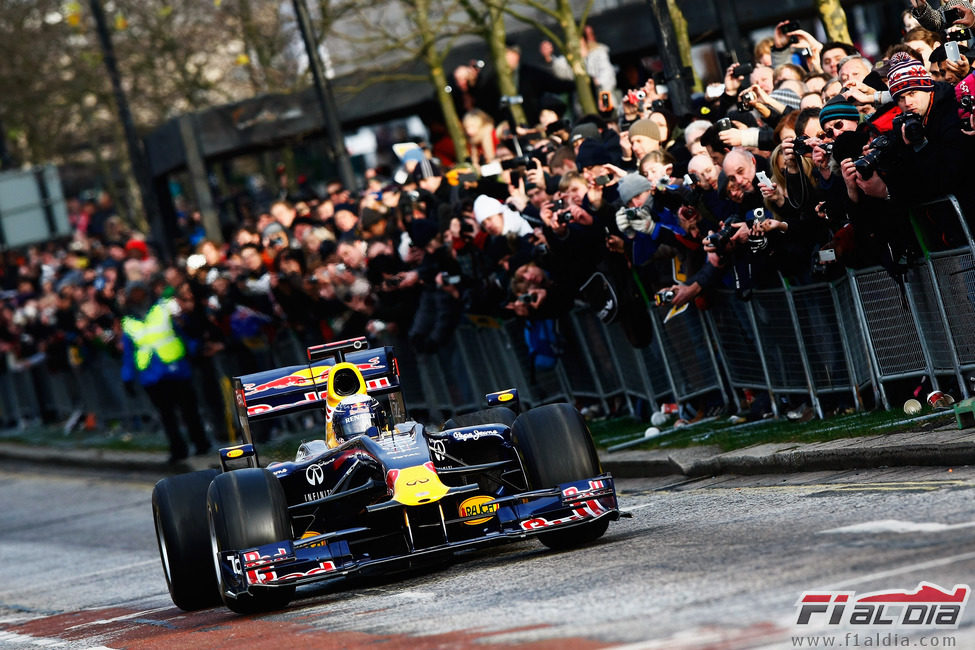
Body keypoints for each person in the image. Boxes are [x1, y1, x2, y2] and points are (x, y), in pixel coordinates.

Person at [119, 282, 210, 463]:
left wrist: (194, 349)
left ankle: (201, 443)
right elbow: (129, 352)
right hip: (151, 375)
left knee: (189, 411)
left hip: (176, 368)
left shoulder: (163, 308)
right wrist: (127, 377)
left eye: (140, 292)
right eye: (134, 294)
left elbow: (180, 332)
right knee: (167, 415)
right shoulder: (128, 322)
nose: (137, 297)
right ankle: (178, 449)